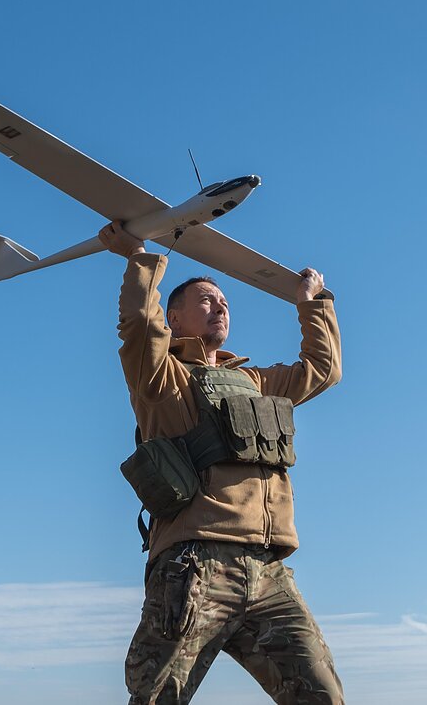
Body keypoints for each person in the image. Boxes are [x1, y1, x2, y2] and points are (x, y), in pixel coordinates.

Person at [99, 220, 345, 705]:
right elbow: (140, 329)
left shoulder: (254, 382)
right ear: (175, 316)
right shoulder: (161, 378)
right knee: (156, 698)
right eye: (207, 301)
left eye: (225, 303)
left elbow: (323, 370)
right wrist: (139, 258)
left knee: (322, 696)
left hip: (269, 571)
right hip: (195, 565)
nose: (220, 307)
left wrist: (311, 304)